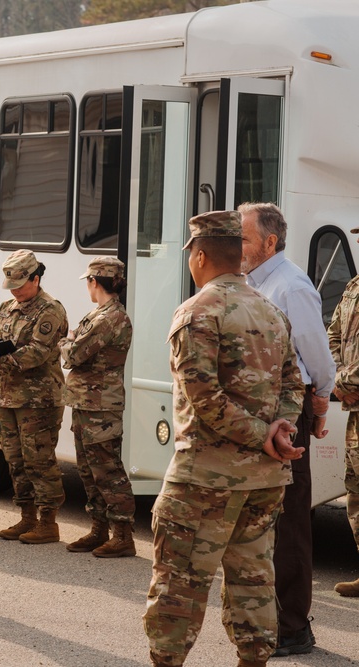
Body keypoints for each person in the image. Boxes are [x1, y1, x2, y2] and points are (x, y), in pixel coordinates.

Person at [143, 210, 304, 667]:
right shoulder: (270, 310)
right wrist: (279, 432)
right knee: (254, 582)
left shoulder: (198, 311)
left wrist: (262, 436)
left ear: (199, 256)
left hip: (204, 478)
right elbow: (295, 385)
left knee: (178, 585)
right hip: (265, 480)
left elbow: (203, 400)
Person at [239, 202, 336, 655]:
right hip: (263, 411)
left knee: (291, 518)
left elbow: (316, 358)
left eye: (243, 238)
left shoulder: (291, 286)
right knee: (265, 518)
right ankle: (270, 618)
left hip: (289, 411)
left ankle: (294, 627)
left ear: (269, 242)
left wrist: (319, 403)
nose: (236, 247)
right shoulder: (255, 282)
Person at [0, 249, 67, 545]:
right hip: (8, 397)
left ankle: (47, 522)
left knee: (39, 460)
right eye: (10, 286)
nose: (14, 291)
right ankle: (27, 516)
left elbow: (37, 353)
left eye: (19, 285)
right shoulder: (5, 308)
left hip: (39, 400)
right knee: (14, 459)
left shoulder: (50, 310)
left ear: (36, 279)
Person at [59, 257, 136, 557]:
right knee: (88, 470)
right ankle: (99, 529)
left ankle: (123, 535)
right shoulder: (100, 314)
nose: (87, 287)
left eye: (88, 281)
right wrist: (73, 341)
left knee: (108, 471)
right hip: (86, 403)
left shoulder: (110, 318)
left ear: (95, 281)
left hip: (101, 407)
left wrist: (67, 340)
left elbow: (74, 354)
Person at [327, 224, 359, 600]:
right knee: (355, 490)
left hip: (353, 395)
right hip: (354, 407)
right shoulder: (353, 286)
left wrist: (344, 382)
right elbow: (333, 332)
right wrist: (340, 376)